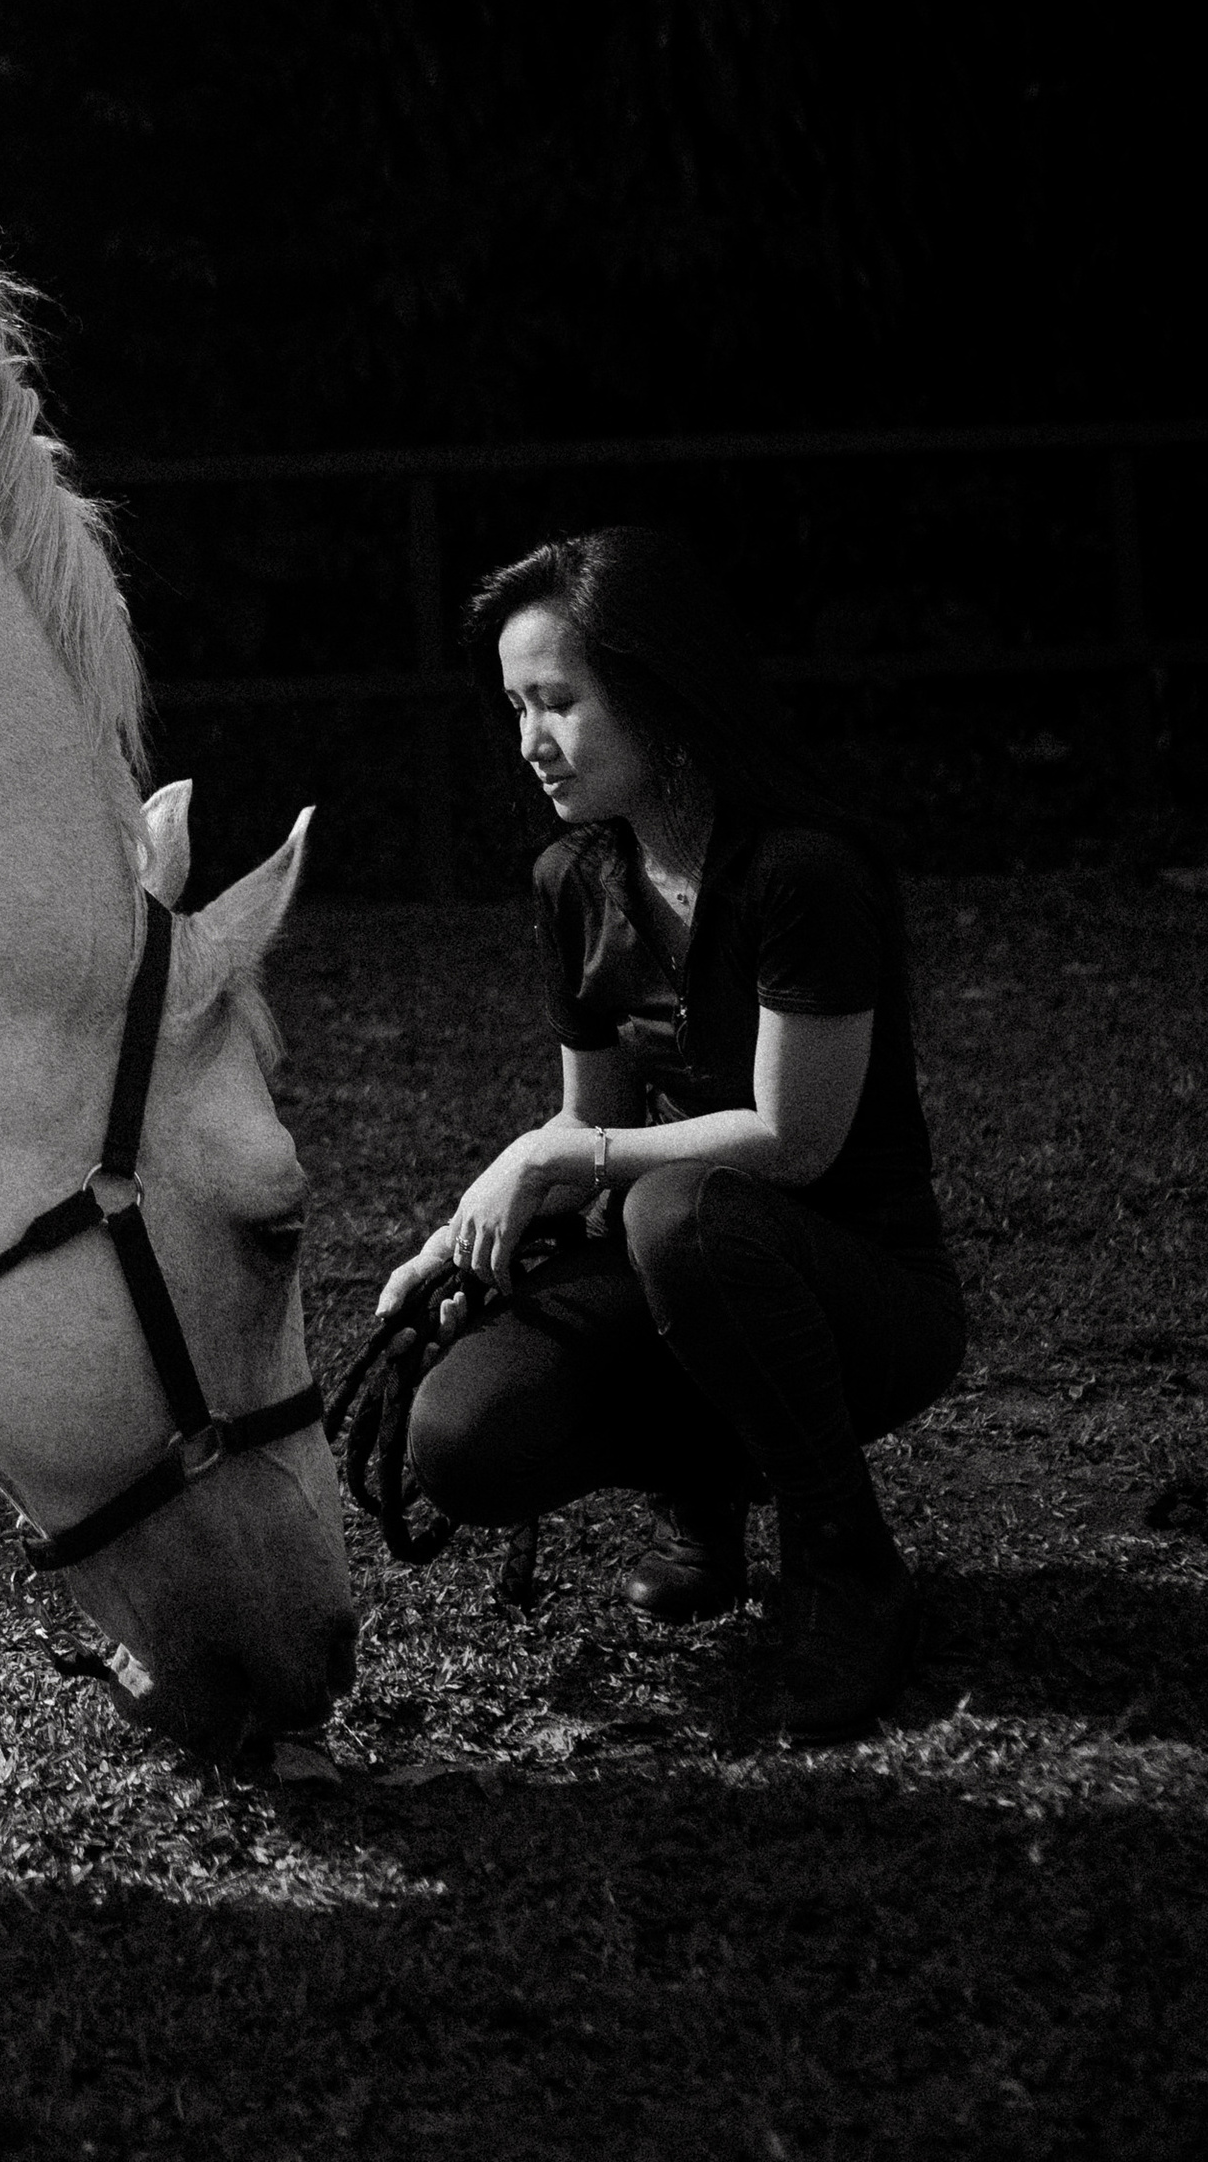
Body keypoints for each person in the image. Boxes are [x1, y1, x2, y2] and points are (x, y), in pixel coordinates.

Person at [376, 525, 965, 1737]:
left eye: (558, 702)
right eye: (514, 707)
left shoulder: (803, 871)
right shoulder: (572, 882)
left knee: (675, 1209)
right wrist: (466, 1236)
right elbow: (589, 1120)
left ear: (658, 692)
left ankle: (847, 1564)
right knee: (462, 1435)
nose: (530, 741)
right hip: (686, 1259)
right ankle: (703, 1490)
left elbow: (794, 1144)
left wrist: (564, 1159)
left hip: (861, 1294)